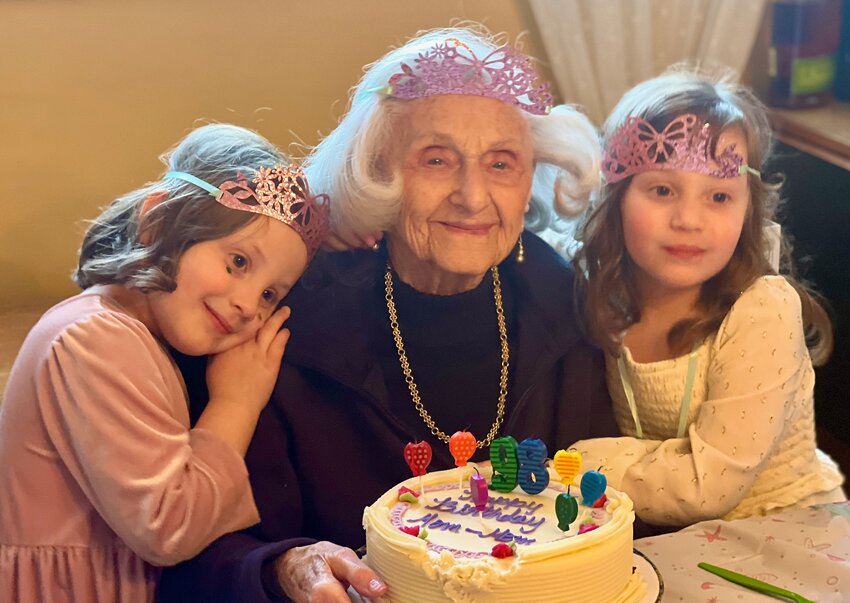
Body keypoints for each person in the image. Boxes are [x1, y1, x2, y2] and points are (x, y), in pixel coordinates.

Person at [159, 26, 618, 603]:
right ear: (380, 170)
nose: (473, 196)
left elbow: (601, 521)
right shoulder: (281, 314)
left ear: (532, 179)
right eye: (436, 159)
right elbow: (193, 553)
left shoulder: (566, 304)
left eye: (502, 163)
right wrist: (287, 567)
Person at [0, 123, 330, 602]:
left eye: (269, 294)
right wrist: (237, 403)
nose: (246, 304)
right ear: (158, 221)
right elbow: (169, 529)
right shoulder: (97, 339)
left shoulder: (131, 335)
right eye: (238, 261)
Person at [568, 67, 845, 528]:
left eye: (719, 196)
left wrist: (577, 465)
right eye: (662, 189)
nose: (689, 220)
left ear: (747, 208)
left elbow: (707, 485)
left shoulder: (761, 310)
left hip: (788, 532)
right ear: (615, 198)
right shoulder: (605, 291)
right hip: (673, 540)